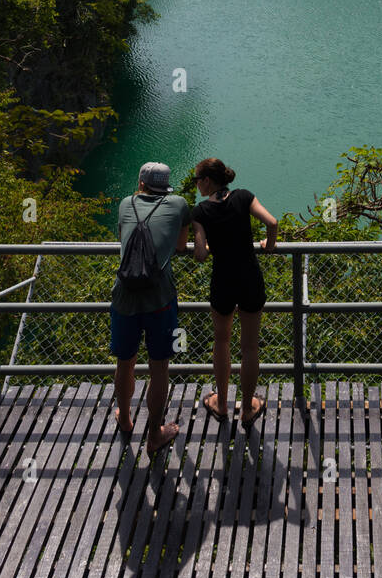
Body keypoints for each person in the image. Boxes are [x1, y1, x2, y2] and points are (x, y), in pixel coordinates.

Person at [110, 161, 192, 454]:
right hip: (160, 299)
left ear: (141, 183)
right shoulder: (179, 204)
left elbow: (123, 240)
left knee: (125, 361)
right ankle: (155, 434)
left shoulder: (125, 203)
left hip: (124, 297)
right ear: (166, 185)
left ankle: (126, 420)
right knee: (159, 366)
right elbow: (181, 246)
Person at [190, 158, 278, 429]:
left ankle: (222, 404)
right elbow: (272, 223)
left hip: (223, 281)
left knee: (222, 341)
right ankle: (249, 409)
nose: (196, 185)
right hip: (249, 277)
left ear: (207, 181)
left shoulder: (200, 212)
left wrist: (196, 241)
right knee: (250, 346)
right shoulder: (243, 197)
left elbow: (202, 254)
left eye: (197, 180)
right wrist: (269, 246)